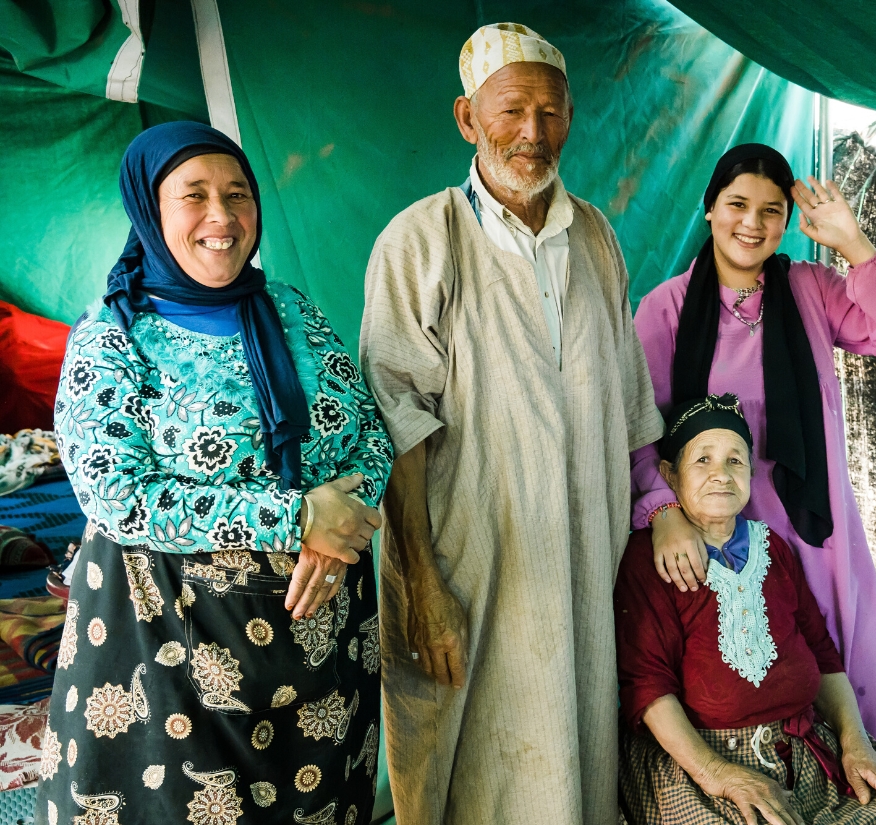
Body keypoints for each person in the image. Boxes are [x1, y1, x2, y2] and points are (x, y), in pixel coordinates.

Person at [38, 122, 393, 825]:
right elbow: (118, 496)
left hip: (320, 647)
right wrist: (296, 517)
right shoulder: (113, 337)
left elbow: (371, 432)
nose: (222, 217)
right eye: (193, 195)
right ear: (149, 209)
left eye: (237, 194)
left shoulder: (290, 310)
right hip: (169, 649)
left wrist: (338, 526)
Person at [358, 22, 662, 825]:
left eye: (551, 111)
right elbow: (394, 419)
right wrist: (422, 583)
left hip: (588, 556)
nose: (533, 132)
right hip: (470, 559)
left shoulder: (595, 235)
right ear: (466, 118)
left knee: (582, 752)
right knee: (472, 766)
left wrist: (656, 523)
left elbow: (628, 409)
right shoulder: (420, 241)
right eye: (511, 109)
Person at [632, 144, 876, 767]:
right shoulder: (665, 310)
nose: (753, 223)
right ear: (709, 208)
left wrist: (854, 245)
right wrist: (663, 511)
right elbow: (636, 428)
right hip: (712, 525)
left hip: (810, 519)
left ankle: (856, 781)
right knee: (730, 675)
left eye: (772, 210)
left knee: (839, 653)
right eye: (737, 204)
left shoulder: (810, 290)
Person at [616, 394, 876, 825]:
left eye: (735, 461)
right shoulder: (650, 559)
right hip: (701, 765)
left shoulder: (772, 548)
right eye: (702, 460)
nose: (721, 475)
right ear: (670, 474)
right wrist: (718, 774)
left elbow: (821, 653)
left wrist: (856, 743)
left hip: (805, 752)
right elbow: (646, 687)